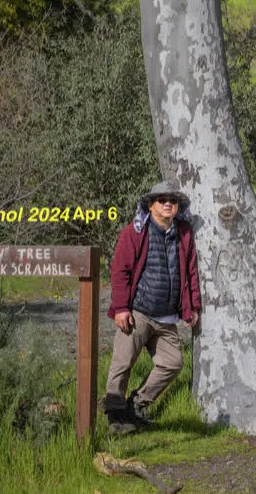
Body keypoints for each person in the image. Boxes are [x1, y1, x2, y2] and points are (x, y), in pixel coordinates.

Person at [104, 181, 202, 434]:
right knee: (123, 363)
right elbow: (120, 271)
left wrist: (191, 307)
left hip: (167, 317)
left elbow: (190, 272)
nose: (168, 203)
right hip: (137, 312)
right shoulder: (135, 232)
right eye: (162, 200)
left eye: (172, 200)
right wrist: (121, 308)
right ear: (150, 205)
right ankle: (115, 417)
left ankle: (135, 405)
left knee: (173, 363)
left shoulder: (183, 233)